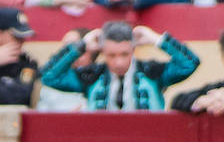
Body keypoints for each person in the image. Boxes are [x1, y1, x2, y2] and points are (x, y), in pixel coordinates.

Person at [40, 20, 199, 110]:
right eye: (111, 55)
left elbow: (189, 63)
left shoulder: (151, 71)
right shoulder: (91, 76)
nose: (119, 62)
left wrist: (156, 39)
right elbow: (48, 77)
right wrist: (81, 45)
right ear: (102, 51)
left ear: (133, 49)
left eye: (124, 54)